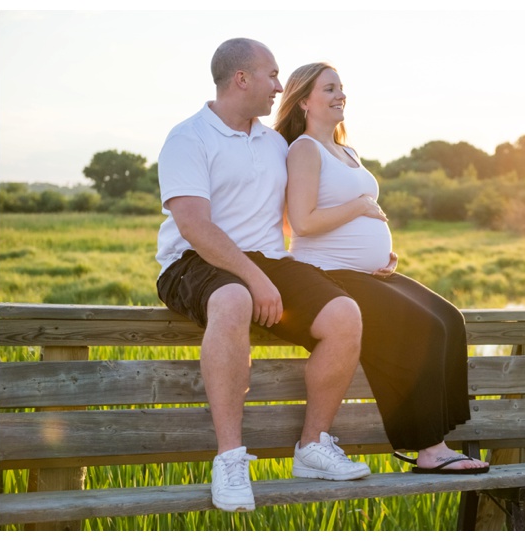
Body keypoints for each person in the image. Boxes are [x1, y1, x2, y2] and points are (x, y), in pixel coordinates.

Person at [155, 40, 371, 513]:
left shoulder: (274, 143)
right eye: (272, 76)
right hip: (194, 261)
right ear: (241, 79)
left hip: (266, 262)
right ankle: (231, 459)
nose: (279, 86)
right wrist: (255, 277)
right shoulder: (189, 138)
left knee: (343, 315)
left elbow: (297, 216)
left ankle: (313, 447)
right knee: (232, 300)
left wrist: (368, 251)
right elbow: (195, 225)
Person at [274, 62, 490, 474]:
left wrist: (380, 252)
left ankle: (443, 437)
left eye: (342, 88)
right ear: (303, 101)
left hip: (367, 271)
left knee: (448, 318)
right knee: (419, 327)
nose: (341, 95)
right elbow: (301, 222)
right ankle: (429, 448)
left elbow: (354, 211)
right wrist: (359, 209)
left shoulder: (346, 149)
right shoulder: (304, 149)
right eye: (329, 89)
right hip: (326, 273)